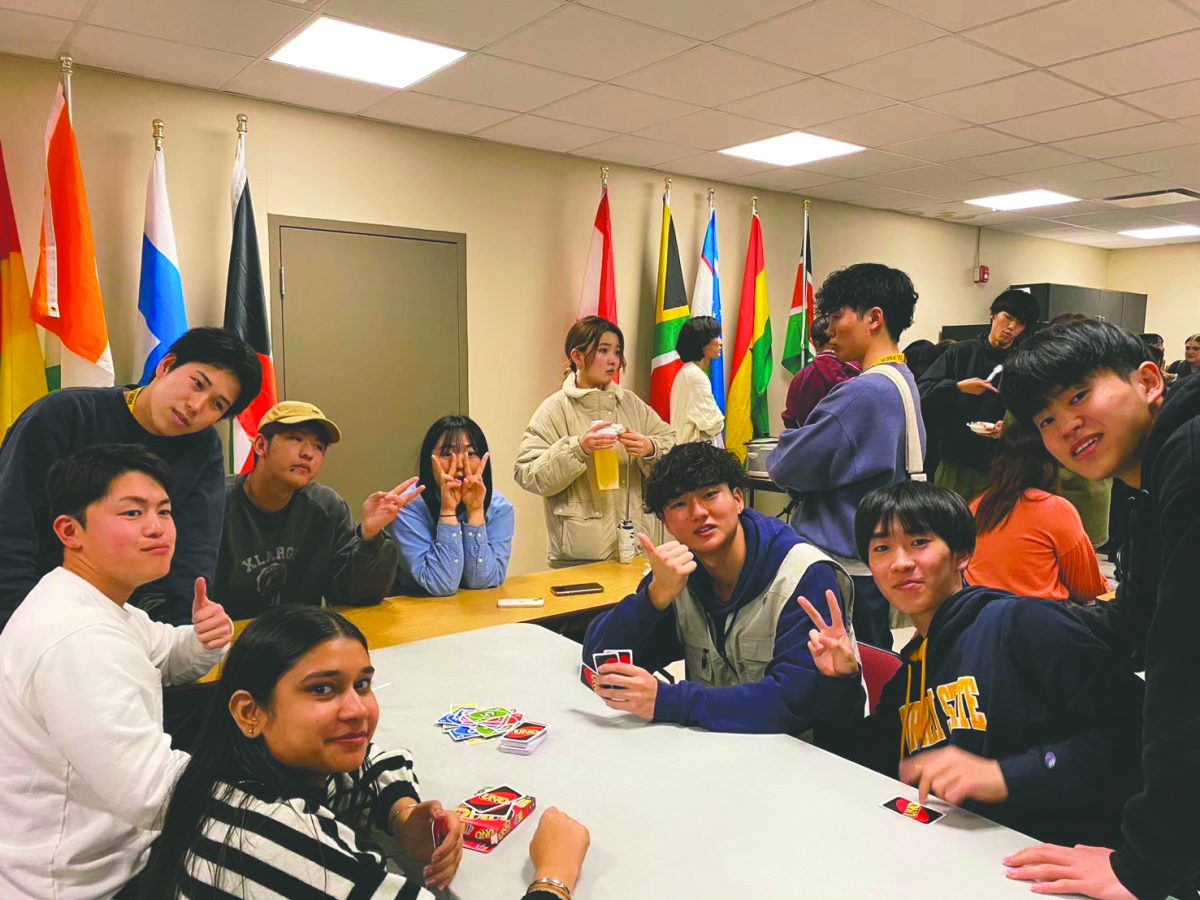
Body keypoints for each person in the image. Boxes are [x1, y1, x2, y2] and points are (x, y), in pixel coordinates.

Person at [136, 605, 591, 899]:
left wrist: (402, 814)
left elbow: (372, 760)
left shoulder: (232, 774)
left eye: (362, 684)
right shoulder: (287, 843)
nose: (356, 709)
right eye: (322, 689)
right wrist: (554, 874)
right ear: (250, 712)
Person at [804, 481, 1144, 850]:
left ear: (962, 554)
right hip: (959, 860)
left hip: (1058, 861)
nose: (900, 563)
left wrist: (1007, 775)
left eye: (919, 542)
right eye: (882, 548)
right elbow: (863, 770)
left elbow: (1137, 733)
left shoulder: (1022, 625)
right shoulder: (911, 676)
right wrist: (840, 683)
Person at [999, 321, 1200, 900]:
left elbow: (1183, 665)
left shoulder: (1190, 458)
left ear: (1148, 380)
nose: (1066, 426)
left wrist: (1147, 862)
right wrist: (1014, 623)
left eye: (1079, 395)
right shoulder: (1157, 478)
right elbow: (1136, 618)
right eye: (1046, 420)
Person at [0, 444, 234, 899]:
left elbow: (165, 654)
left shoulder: (94, 600)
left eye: (164, 511)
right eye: (131, 513)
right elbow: (153, 794)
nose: (157, 527)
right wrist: (270, 793)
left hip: (111, 849)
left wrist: (204, 637)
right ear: (71, 531)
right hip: (88, 882)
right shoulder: (77, 637)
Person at [582, 441, 852, 735]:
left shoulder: (803, 575)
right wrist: (653, 597)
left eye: (710, 495)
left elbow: (795, 703)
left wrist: (671, 701)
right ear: (667, 524)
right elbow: (599, 667)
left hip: (799, 761)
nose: (698, 512)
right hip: (713, 753)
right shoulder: (677, 574)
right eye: (679, 504)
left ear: (738, 500)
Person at [0, 326, 261, 629]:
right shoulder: (62, 416)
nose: (196, 406)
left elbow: (194, 553)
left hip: (124, 623)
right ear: (166, 365)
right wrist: (22, 630)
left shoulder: (203, 449)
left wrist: (184, 642)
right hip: (31, 613)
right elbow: (10, 530)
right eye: (197, 384)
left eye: (217, 405)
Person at [767, 263, 924, 651]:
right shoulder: (902, 381)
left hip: (841, 565)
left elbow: (786, 466)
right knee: (872, 659)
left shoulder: (861, 393)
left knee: (837, 671)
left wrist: (791, 440)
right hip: (874, 557)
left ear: (874, 318)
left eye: (838, 316)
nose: (831, 329)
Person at [215, 401, 419, 619]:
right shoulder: (216, 503)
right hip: (226, 640)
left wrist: (370, 537)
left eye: (318, 447)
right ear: (261, 445)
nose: (308, 454)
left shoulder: (326, 507)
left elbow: (355, 595)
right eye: (295, 439)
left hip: (301, 639)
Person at [515, 316, 675, 567]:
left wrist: (650, 449)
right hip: (579, 557)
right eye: (603, 350)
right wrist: (578, 448)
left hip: (638, 552)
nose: (614, 360)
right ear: (577, 357)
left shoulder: (631, 404)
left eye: (617, 351)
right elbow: (527, 473)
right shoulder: (555, 409)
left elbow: (674, 449)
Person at [917, 288, 1040, 503]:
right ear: (993, 314)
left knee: (990, 529)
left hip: (1001, 464)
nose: (1011, 327)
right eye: (1007, 317)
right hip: (953, 459)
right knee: (947, 523)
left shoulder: (1024, 363)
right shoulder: (961, 352)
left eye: (1019, 324)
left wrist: (1010, 428)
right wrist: (957, 387)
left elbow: (1036, 412)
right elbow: (922, 394)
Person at [966, 419, 1108, 602]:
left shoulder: (977, 505)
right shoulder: (1057, 509)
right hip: (1037, 620)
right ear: (1050, 460)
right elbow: (1089, 589)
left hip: (980, 616)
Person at [391, 415, 515, 596]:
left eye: (471, 453)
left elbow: (483, 582)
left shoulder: (499, 508)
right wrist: (448, 512)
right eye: (447, 454)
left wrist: (475, 512)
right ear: (429, 459)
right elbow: (440, 584)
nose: (459, 464)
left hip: (473, 611)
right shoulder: (406, 507)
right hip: (415, 611)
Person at [781, 313, 860, 429]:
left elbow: (790, 419)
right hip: (851, 446)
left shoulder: (800, 378)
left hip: (810, 445)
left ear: (813, 342)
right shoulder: (859, 371)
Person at [670, 315, 724, 444]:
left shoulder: (688, 372)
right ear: (702, 343)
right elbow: (714, 424)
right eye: (716, 337)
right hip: (695, 458)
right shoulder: (695, 377)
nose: (720, 342)